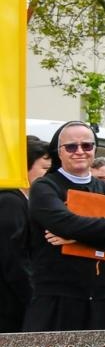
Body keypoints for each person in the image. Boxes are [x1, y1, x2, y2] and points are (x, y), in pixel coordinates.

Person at [22, 121, 105, 332]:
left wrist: (76, 237)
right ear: (59, 152)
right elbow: (64, 223)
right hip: (58, 298)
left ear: (94, 149)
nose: (79, 151)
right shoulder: (45, 186)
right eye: (71, 147)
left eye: (86, 146)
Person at [0, 136, 50, 333]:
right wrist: (34, 300)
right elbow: (14, 260)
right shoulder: (10, 201)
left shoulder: (26, 202)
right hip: (9, 310)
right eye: (45, 169)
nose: (50, 175)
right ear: (24, 168)